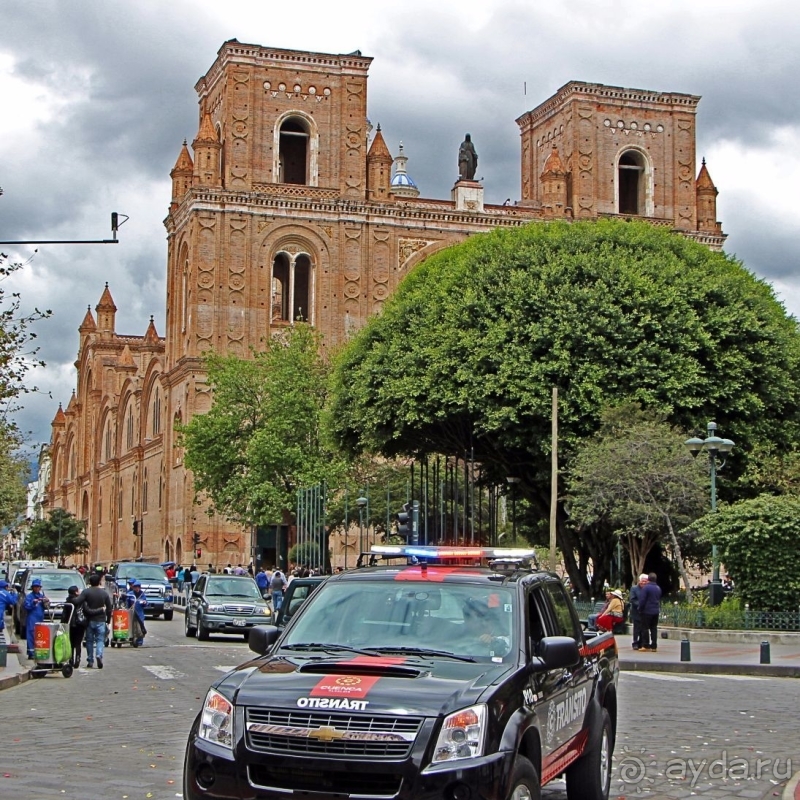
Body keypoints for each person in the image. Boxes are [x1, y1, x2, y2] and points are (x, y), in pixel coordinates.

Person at [80, 572, 112, 668]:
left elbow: (80, 602)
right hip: (101, 620)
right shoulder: (104, 593)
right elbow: (109, 608)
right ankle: (99, 655)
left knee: (89, 641)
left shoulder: (86, 592)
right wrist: (108, 620)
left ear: (90, 582)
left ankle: (90, 660)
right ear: (99, 582)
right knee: (100, 640)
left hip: (90, 620)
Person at [23, 577, 50, 659]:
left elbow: (47, 607)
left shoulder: (42, 596)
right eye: (35, 586)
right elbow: (26, 607)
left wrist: (46, 601)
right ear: (32, 587)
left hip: (40, 619)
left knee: (39, 636)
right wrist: (33, 603)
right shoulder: (29, 597)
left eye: (38, 587)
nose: (37, 588)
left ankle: (38, 651)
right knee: (31, 634)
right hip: (31, 619)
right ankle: (31, 653)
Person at [61, 585, 87, 668]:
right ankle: (78, 659)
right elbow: (85, 611)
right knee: (78, 643)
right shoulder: (81, 601)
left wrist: (63, 623)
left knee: (71, 643)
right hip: (79, 624)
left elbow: (64, 615)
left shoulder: (67, 602)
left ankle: (71, 659)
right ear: (76, 592)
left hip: (70, 625)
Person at [639, 572, 662, 652]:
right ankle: (654, 646)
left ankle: (645, 645)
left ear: (648, 579)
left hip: (647, 611)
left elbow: (642, 600)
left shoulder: (646, 588)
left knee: (645, 628)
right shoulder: (658, 588)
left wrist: (640, 609)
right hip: (656, 611)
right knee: (654, 628)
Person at [628, 574, 648, 650]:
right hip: (636, 612)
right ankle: (635, 643)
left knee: (644, 629)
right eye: (643, 581)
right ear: (640, 581)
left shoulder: (647, 589)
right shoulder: (634, 589)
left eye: (646, 581)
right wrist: (641, 605)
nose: (644, 583)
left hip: (645, 612)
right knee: (636, 629)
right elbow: (632, 599)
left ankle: (642, 643)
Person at [126, 579, 148, 646]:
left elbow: (146, 603)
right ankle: (132, 639)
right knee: (132, 626)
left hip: (139, 613)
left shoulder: (142, 594)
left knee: (140, 627)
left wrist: (144, 603)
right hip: (131, 612)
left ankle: (140, 641)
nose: (137, 588)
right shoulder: (130, 594)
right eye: (135, 587)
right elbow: (126, 602)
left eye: (138, 587)